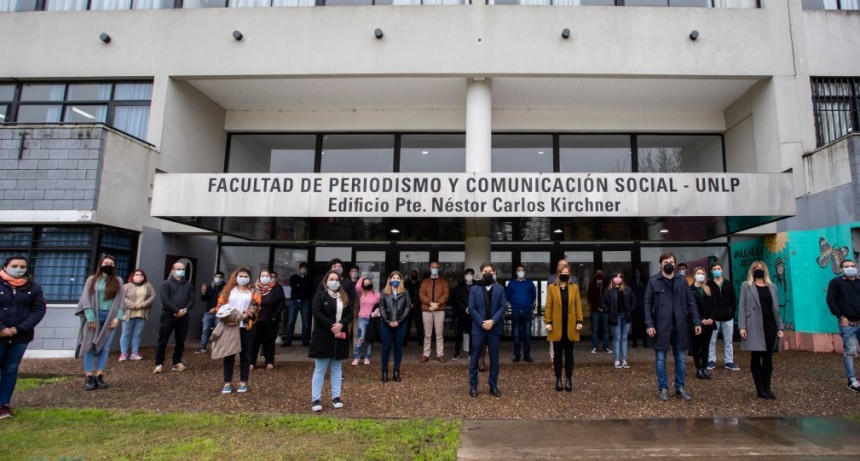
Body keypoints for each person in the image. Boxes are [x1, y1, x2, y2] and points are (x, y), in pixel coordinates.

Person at [644, 252, 702, 401]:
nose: (669, 264)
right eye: (666, 261)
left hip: (680, 326)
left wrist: (696, 321)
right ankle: (663, 388)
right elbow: (647, 304)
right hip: (661, 326)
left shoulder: (682, 281)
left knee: (681, 359)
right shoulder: (653, 281)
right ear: (660, 264)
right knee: (660, 359)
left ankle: (680, 387)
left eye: (671, 261)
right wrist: (649, 324)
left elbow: (691, 303)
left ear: (675, 264)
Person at [0, 256, 47, 419]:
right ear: (5, 266)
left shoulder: (34, 287)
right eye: (14, 265)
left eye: (22, 266)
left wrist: (20, 329)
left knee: (10, 370)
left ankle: (3, 405)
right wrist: (2, 329)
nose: (18, 269)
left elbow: (39, 310)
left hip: (20, 336)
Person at [76, 255, 124, 390]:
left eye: (111, 263)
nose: (108, 265)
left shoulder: (118, 280)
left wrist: (118, 317)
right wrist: (90, 317)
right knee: (89, 346)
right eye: (106, 262)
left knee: (105, 348)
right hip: (94, 316)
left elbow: (121, 300)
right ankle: (89, 377)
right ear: (100, 264)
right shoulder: (92, 279)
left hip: (110, 317)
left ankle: (99, 375)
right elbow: (85, 298)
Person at [309, 270, 354, 412]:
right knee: (320, 369)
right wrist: (332, 326)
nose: (334, 282)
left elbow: (350, 314)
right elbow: (317, 313)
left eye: (337, 279)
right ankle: (315, 399)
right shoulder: (320, 295)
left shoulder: (344, 296)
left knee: (336, 368)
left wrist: (341, 324)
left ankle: (336, 397)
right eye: (331, 279)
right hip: (323, 336)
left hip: (340, 337)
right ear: (326, 280)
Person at [739, 261, 784, 399]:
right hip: (753, 324)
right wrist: (742, 326)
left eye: (761, 268)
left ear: (765, 270)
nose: (758, 270)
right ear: (751, 271)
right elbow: (742, 306)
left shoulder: (773, 287)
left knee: (768, 357)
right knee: (756, 356)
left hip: (770, 324)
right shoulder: (746, 286)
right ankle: (760, 389)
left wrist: (780, 326)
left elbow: (776, 308)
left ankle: (767, 387)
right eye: (755, 268)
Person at [213, 266, 260, 394]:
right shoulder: (228, 290)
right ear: (236, 277)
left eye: (245, 277)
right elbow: (220, 306)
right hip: (230, 326)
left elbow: (256, 306)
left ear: (249, 278)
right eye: (241, 276)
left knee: (245, 355)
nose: (243, 279)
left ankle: (243, 381)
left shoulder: (253, 290)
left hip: (246, 326)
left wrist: (244, 315)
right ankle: (227, 382)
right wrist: (230, 317)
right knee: (229, 354)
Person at [467, 263, 507, 398]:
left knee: (494, 359)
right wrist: (482, 322)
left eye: (490, 271)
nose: (488, 273)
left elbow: (502, 307)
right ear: (481, 272)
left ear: (494, 272)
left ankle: (493, 385)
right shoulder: (474, 289)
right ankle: (473, 386)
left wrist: (492, 321)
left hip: (494, 328)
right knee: (475, 358)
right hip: (479, 328)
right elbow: (471, 308)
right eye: (485, 271)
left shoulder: (500, 289)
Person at [544, 264, 583, 392]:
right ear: (558, 273)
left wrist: (579, 320)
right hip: (556, 326)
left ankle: (569, 378)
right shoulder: (552, 288)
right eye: (563, 272)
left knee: (569, 354)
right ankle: (558, 378)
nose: (565, 274)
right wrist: (548, 321)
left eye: (567, 272)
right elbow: (548, 306)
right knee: (557, 354)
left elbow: (578, 305)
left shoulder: (574, 288)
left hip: (571, 326)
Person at [154, 260, 195, 374]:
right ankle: (159, 363)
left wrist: (184, 310)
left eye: (183, 269)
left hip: (184, 316)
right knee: (163, 340)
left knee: (180, 340)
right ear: (173, 270)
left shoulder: (188, 285)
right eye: (179, 269)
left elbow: (192, 299)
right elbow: (165, 300)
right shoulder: (166, 284)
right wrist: (176, 310)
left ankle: (176, 362)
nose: (181, 271)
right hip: (168, 315)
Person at [826, 259, 860, 393]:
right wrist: (841, 316)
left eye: (852, 266)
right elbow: (830, 300)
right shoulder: (836, 282)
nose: (850, 268)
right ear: (842, 269)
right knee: (850, 352)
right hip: (848, 324)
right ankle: (852, 381)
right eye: (847, 266)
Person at [706, 262, 740, 371]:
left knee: (728, 340)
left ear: (722, 269)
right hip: (713, 317)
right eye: (714, 269)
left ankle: (729, 361)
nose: (717, 270)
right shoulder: (708, 285)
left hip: (727, 317)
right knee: (711, 339)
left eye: (718, 268)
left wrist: (731, 311)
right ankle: (711, 360)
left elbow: (734, 300)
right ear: (711, 271)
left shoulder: (728, 284)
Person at [379, 271, 411, 382]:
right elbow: (381, 307)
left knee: (398, 348)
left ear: (401, 280)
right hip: (386, 325)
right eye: (394, 278)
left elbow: (407, 307)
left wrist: (399, 321)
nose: (396, 280)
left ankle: (396, 371)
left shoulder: (405, 292)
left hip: (400, 325)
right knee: (386, 348)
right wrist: (388, 321)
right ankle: (384, 371)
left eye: (398, 278)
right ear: (389, 279)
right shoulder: (384, 292)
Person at [251, 270, 286, 370]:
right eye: (263, 275)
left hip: (271, 320)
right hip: (256, 320)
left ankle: (269, 361)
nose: (265, 277)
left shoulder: (277, 288)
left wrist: (275, 315)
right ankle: (252, 362)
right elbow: (250, 302)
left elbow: (281, 302)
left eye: (267, 275)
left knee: (269, 341)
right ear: (259, 277)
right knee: (254, 341)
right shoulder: (254, 288)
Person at [119, 269, 156, 361]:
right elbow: (121, 297)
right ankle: (123, 354)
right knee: (125, 334)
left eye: (141, 275)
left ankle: (134, 353)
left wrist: (142, 305)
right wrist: (133, 305)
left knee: (137, 334)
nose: (139, 276)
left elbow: (153, 296)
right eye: (137, 274)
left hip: (141, 314)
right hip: (128, 314)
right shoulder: (126, 286)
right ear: (133, 276)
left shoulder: (148, 285)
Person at [602, 271, 635, 369]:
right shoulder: (608, 290)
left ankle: (624, 360)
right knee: (617, 338)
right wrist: (609, 311)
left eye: (620, 277)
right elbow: (603, 302)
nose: (618, 278)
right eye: (616, 276)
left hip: (626, 316)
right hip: (614, 316)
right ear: (612, 278)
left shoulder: (627, 289)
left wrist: (630, 310)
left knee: (624, 338)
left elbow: (633, 300)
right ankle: (616, 360)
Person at [419, 261, 449, 363]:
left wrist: (437, 304)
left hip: (439, 310)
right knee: (427, 334)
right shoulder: (425, 282)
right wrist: (430, 303)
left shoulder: (443, 282)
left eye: (436, 267)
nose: (435, 268)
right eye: (433, 267)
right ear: (429, 268)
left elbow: (445, 294)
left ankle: (440, 354)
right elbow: (422, 294)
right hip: (427, 310)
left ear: (439, 268)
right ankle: (426, 354)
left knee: (439, 333)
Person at [507, 264, 537, 363]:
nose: (520, 272)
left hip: (527, 311)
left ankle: (527, 355)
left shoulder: (530, 283)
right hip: (515, 311)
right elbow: (508, 296)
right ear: (516, 272)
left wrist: (526, 303)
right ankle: (517, 355)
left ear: (524, 272)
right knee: (516, 335)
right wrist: (516, 302)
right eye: (519, 270)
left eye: (522, 270)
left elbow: (533, 296)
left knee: (527, 334)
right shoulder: (511, 284)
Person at [690, 267, 716, 380]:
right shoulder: (690, 290)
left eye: (702, 273)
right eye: (698, 273)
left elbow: (715, 307)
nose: (701, 275)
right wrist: (700, 319)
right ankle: (698, 368)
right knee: (696, 346)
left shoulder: (708, 289)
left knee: (706, 346)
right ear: (694, 275)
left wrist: (711, 318)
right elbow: (690, 308)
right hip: (696, 323)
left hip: (709, 324)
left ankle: (705, 368)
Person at [352, 274, 380, 366]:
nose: (367, 284)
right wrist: (363, 277)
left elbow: (381, 305)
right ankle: (357, 357)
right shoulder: (362, 293)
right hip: (362, 318)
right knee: (361, 338)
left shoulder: (377, 294)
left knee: (370, 339)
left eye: (369, 282)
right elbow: (357, 286)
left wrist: (378, 309)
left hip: (372, 319)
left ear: (372, 283)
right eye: (365, 283)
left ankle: (367, 357)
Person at [284, 262, 313, 347]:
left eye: (305, 268)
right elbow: (294, 287)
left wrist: (299, 285)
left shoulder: (309, 278)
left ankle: (305, 340)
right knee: (290, 322)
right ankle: (288, 340)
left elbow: (309, 288)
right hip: (294, 301)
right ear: (299, 269)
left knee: (305, 323)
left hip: (305, 302)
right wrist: (302, 286)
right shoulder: (293, 277)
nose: (303, 269)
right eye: (302, 268)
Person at [198, 271, 225, 353]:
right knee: (205, 330)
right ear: (214, 277)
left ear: (222, 278)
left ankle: (218, 348)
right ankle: (202, 348)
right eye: (217, 276)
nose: (218, 278)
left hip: (219, 313)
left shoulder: (225, 288)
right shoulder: (210, 287)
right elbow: (204, 299)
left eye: (220, 277)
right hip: (208, 312)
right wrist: (203, 292)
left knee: (219, 331)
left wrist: (216, 309)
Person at [452, 268, 475, 361]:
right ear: (465, 275)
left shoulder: (477, 286)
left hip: (473, 313)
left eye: (471, 274)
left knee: (472, 333)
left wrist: (471, 308)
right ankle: (456, 353)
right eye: (467, 274)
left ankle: (471, 352)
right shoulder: (459, 286)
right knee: (459, 333)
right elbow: (457, 299)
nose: (469, 275)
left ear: (473, 275)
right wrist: (464, 308)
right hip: (462, 313)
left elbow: (478, 298)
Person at [588, 269, 611, 354]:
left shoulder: (606, 285)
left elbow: (609, 297)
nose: (599, 275)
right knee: (595, 330)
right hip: (595, 310)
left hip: (604, 311)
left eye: (600, 273)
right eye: (598, 273)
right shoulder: (592, 285)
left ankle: (606, 347)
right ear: (595, 275)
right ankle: (595, 347)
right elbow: (590, 298)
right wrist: (597, 307)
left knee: (605, 329)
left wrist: (605, 307)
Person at [403, 268, 423, 347]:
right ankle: (405, 342)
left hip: (417, 307)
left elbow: (421, 295)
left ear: (417, 275)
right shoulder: (406, 283)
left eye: (415, 274)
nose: (414, 276)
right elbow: (404, 294)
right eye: (412, 274)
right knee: (407, 325)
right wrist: (409, 304)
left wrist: (415, 304)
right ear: (410, 275)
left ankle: (420, 342)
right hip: (408, 307)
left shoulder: (420, 284)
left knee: (419, 325)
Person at [630, 269, 647, 348]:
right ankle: (634, 342)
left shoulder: (644, 283)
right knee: (635, 325)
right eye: (636, 273)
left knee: (645, 325)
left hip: (643, 305)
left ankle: (646, 342)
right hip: (635, 306)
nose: (637, 274)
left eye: (638, 273)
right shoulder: (631, 283)